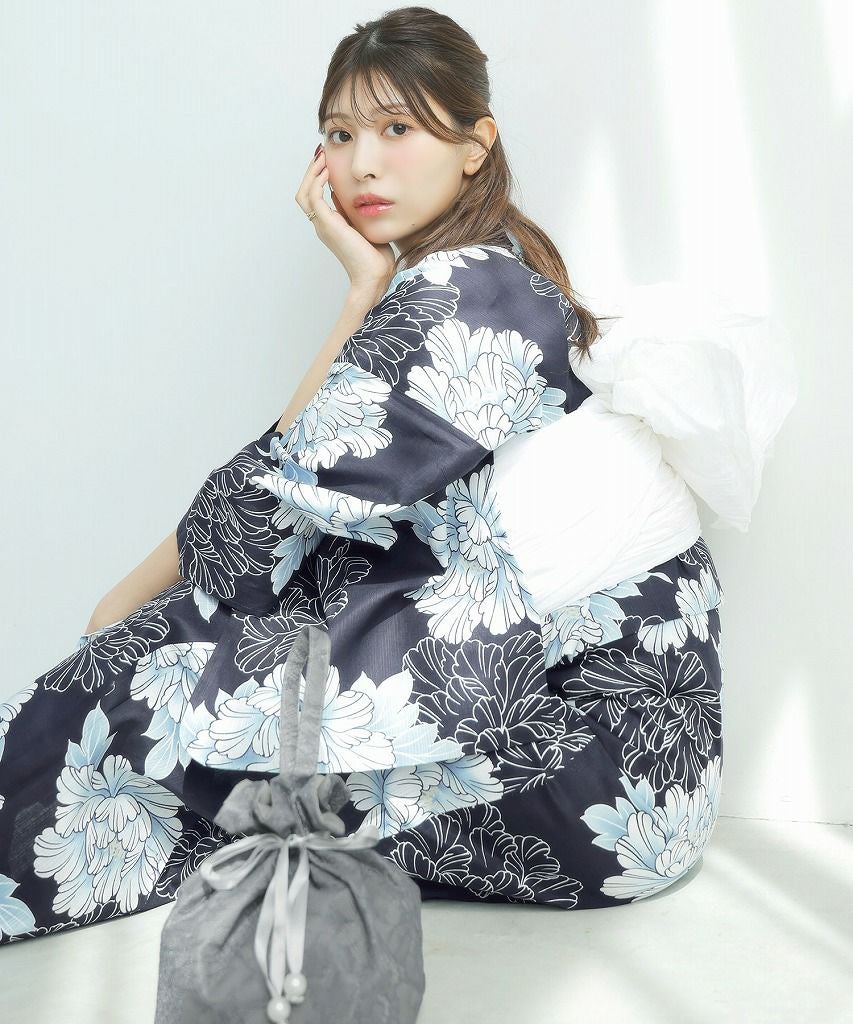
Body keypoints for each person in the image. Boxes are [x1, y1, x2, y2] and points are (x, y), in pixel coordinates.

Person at [0, 6, 797, 945]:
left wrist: (118, 605)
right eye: (339, 135)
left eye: (396, 127)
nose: (363, 164)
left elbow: (262, 519)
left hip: (588, 771)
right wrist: (362, 291)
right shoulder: (482, 277)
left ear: (475, 145)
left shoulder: (473, 293)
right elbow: (299, 500)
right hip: (629, 774)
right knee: (192, 700)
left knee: (142, 690)